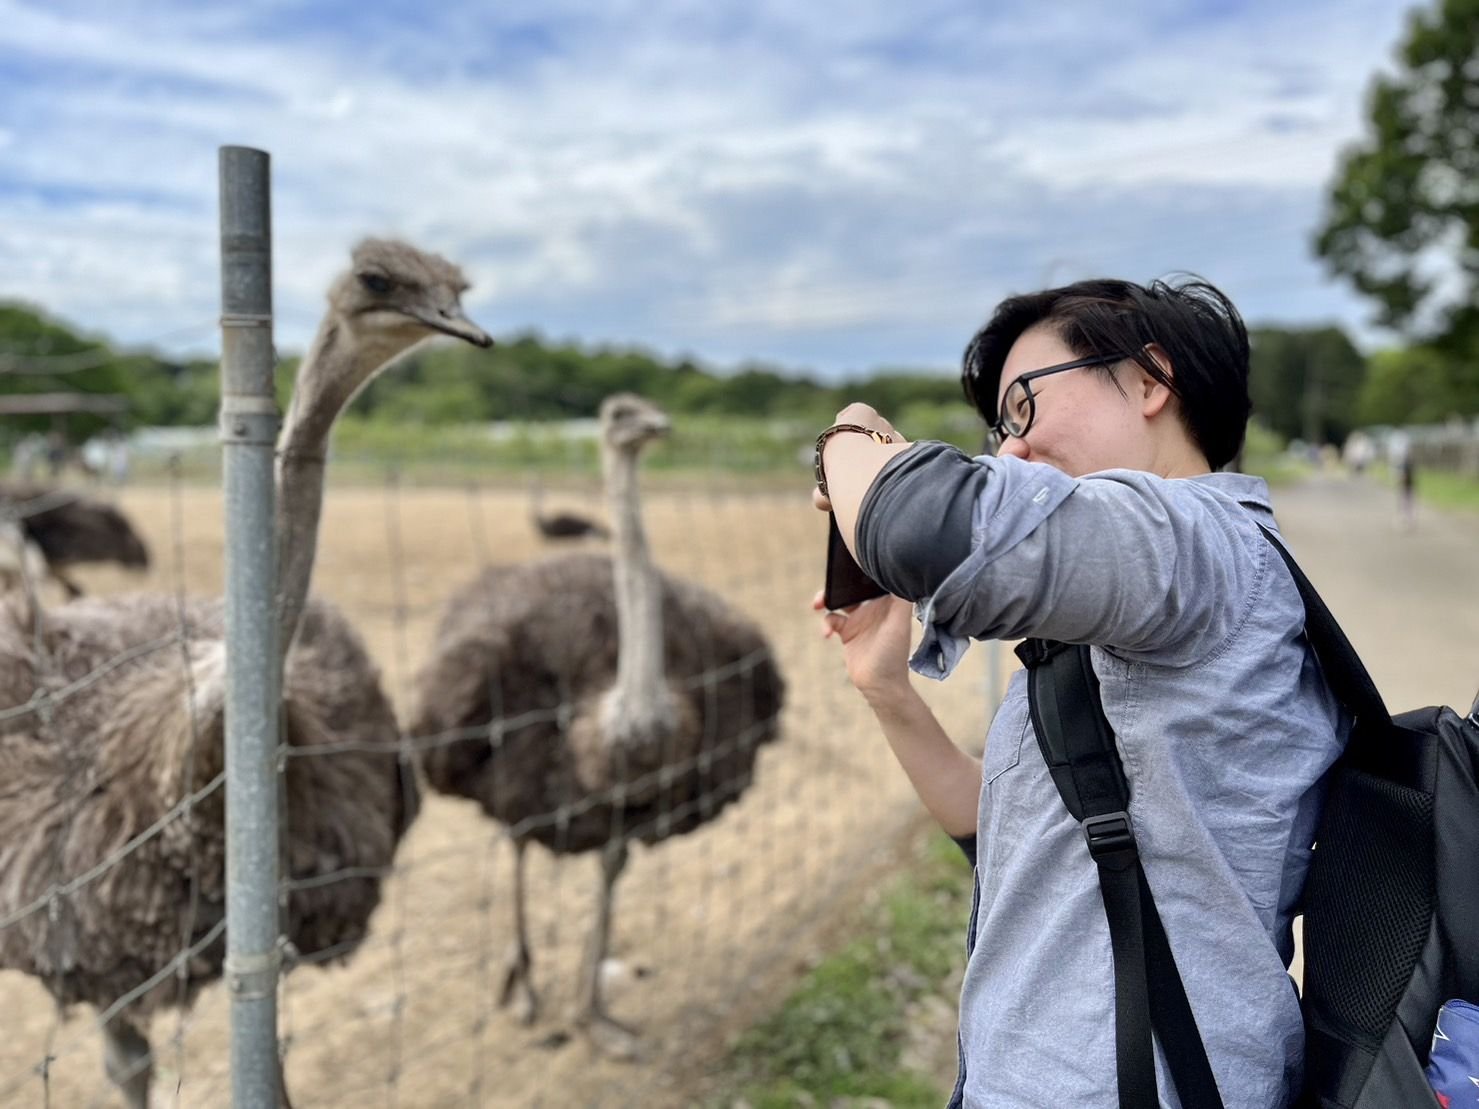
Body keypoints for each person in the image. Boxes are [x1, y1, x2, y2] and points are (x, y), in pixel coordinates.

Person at [812, 278, 1347, 1109]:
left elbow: (920, 523)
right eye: (998, 430)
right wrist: (887, 689)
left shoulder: (1190, 542)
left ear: (1147, 379)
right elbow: (1018, 844)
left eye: (1023, 406)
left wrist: (847, 432)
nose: (1010, 452)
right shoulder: (1144, 608)